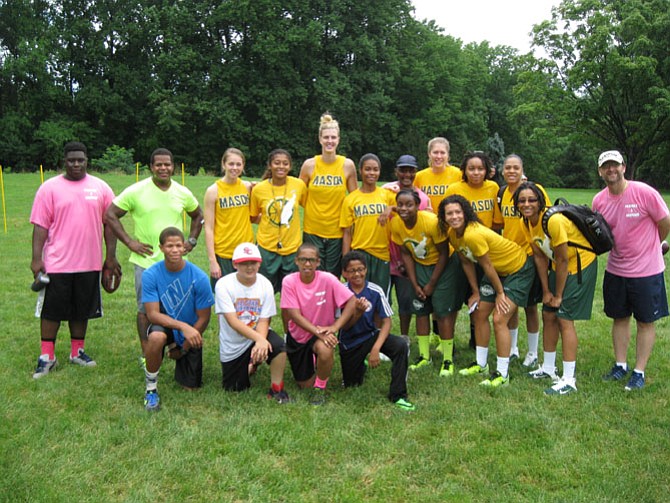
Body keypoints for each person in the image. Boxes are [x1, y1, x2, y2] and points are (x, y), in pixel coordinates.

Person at [30, 141, 120, 378]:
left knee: (82, 310)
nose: (76, 164)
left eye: (80, 159)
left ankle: (77, 351)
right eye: (72, 160)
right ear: (64, 161)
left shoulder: (100, 187)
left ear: (87, 160)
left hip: (89, 262)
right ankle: (47, 356)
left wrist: (110, 258)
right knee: (52, 311)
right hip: (57, 263)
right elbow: (40, 226)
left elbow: (110, 225)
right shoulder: (49, 188)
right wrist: (36, 259)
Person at [105, 148, 203, 358]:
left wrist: (192, 241)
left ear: (173, 167)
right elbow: (110, 214)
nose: (163, 168)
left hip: (177, 262)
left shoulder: (182, 192)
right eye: (158, 164)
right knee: (145, 309)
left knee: (176, 305)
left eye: (167, 164)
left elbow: (198, 215)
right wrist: (130, 242)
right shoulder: (136, 191)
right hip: (147, 262)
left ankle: (174, 345)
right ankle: (147, 351)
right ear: (151, 167)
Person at [592, 150, 670, 391]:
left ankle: (639, 371)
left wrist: (655, 245)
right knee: (619, 318)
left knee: (646, 321)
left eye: (615, 165)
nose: (611, 170)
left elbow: (664, 221)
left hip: (647, 271)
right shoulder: (599, 200)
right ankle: (620, 365)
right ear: (600, 171)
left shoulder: (644, 192)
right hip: (616, 269)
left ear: (624, 167)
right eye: (606, 166)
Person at [441, 195, 535, 388]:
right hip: (496, 272)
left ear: (466, 212)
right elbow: (466, 262)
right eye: (449, 213)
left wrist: (500, 293)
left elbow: (488, 265)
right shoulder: (452, 233)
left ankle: (502, 374)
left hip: (517, 268)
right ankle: (481, 364)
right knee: (479, 312)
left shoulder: (472, 234)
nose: (454, 216)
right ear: (443, 217)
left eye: (458, 212)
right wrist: (476, 291)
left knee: (500, 319)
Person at [514, 182, 597, 395]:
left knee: (564, 318)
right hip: (556, 267)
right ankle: (548, 368)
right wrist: (546, 291)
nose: (526, 204)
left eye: (532, 200)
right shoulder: (526, 222)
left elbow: (562, 259)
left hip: (578, 265)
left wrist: (559, 294)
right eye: (522, 200)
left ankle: (569, 379)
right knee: (548, 314)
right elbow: (540, 258)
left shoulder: (554, 221)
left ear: (541, 201)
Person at [390, 190, 467, 377]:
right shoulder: (396, 224)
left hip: (444, 266)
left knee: (442, 313)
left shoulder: (431, 222)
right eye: (400, 204)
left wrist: (431, 284)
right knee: (420, 310)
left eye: (409, 205)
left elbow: (443, 253)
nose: (404, 208)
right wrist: (415, 283)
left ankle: (447, 359)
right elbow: (406, 253)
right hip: (421, 266)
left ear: (418, 206)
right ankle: (425, 356)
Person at [141, 227, 214, 411]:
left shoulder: (199, 277)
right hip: (166, 325)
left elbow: (204, 317)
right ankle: (151, 389)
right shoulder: (150, 274)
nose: (174, 250)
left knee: (190, 387)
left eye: (178, 245)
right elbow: (152, 314)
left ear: (184, 248)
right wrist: (182, 327)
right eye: (169, 246)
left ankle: (179, 354)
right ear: (161, 247)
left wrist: (184, 347)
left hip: (191, 329)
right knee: (156, 338)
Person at [280, 243, 357, 405]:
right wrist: (317, 331)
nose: (307, 264)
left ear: (318, 262)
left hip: (321, 334)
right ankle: (312, 365)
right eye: (303, 259)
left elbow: (352, 301)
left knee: (326, 349)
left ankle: (320, 389)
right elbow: (293, 315)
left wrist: (335, 327)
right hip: (299, 335)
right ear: (296, 261)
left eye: (311, 260)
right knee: (304, 385)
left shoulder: (328, 279)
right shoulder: (289, 281)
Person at [215, 242, 291, 403]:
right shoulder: (223, 284)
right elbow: (232, 321)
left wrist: (261, 340)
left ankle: (277, 388)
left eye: (253, 263)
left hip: (258, 332)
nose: (249, 267)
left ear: (259, 263)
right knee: (234, 388)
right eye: (244, 263)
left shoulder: (265, 284)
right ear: (235, 264)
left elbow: (264, 319)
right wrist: (259, 340)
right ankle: (251, 363)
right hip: (233, 343)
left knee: (279, 347)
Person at [339, 251, 415, 411]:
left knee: (401, 345)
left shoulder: (375, 290)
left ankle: (398, 394)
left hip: (371, 335)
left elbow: (387, 321)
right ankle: (361, 365)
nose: (357, 274)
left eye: (360, 269)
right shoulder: (340, 291)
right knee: (352, 385)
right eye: (352, 271)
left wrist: (376, 349)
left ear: (366, 270)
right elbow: (343, 327)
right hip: (350, 342)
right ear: (344, 273)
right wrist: (358, 313)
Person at [498, 154, 550, 367]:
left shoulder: (534, 190)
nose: (511, 171)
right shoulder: (501, 194)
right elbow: (498, 224)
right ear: (503, 171)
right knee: (511, 306)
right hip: (509, 258)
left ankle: (532, 352)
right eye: (508, 167)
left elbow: (546, 218)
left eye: (515, 167)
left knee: (530, 306)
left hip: (531, 255)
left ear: (522, 170)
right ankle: (512, 348)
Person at [299, 113, 358, 277]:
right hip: (313, 230)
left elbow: (355, 198)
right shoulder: (309, 165)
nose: (329, 141)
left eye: (333, 137)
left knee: (332, 276)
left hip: (337, 232)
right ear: (320, 139)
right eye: (326, 137)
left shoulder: (347, 165)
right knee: (313, 274)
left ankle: (332, 304)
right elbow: (297, 193)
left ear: (338, 139)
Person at [382, 155, 431, 341]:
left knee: (405, 301)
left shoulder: (423, 198)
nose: (407, 174)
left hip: (407, 257)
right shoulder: (386, 192)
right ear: (396, 171)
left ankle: (404, 337)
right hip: (385, 254)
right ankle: (380, 337)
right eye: (403, 170)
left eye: (411, 170)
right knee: (383, 299)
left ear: (416, 172)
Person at [250, 149, 307, 293]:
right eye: (277, 163)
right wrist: (271, 220)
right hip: (267, 247)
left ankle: (288, 317)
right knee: (264, 291)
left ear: (290, 166)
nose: (281, 166)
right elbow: (253, 216)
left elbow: (308, 206)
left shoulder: (299, 185)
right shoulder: (259, 189)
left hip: (292, 248)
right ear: (270, 165)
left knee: (291, 293)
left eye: (285, 163)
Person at [340, 153, 395, 296]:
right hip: (359, 253)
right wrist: (346, 261)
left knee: (380, 298)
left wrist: (391, 208)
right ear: (360, 170)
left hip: (381, 254)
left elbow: (406, 209)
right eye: (368, 169)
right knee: (358, 297)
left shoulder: (387, 195)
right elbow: (347, 232)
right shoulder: (351, 199)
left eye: (375, 169)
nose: (372, 173)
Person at [204, 147, 254, 288]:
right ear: (223, 164)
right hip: (224, 252)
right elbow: (208, 228)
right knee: (224, 294)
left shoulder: (247, 187)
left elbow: (253, 216)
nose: (234, 168)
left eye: (238, 164)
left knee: (246, 293)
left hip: (245, 249)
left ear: (243, 166)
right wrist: (212, 260)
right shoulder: (213, 191)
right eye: (231, 164)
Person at [413, 137, 462, 214]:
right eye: (435, 152)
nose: (439, 156)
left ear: (448, 155)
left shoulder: (458, 174)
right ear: (429, 154)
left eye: (442, 153)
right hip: (428, 222)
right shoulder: (418, 176)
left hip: (452, 222)